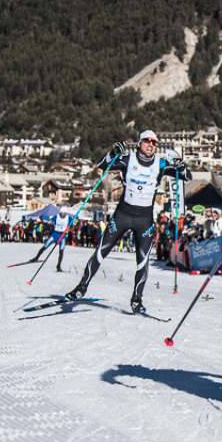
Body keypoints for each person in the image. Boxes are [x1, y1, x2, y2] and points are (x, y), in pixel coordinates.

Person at [64, 130, 191, 314]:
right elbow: (102, 165)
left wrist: (181, 166)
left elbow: (187, 176)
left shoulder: (161, 164)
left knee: (143, 261)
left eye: (154, 143)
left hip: (144, 219)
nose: (151, 145)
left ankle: (136, 300)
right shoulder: (127, 159)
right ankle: (81, 288)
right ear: (139, 143)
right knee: (101, 251)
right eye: (147, 141)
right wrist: (113, 152)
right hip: (122, 215)